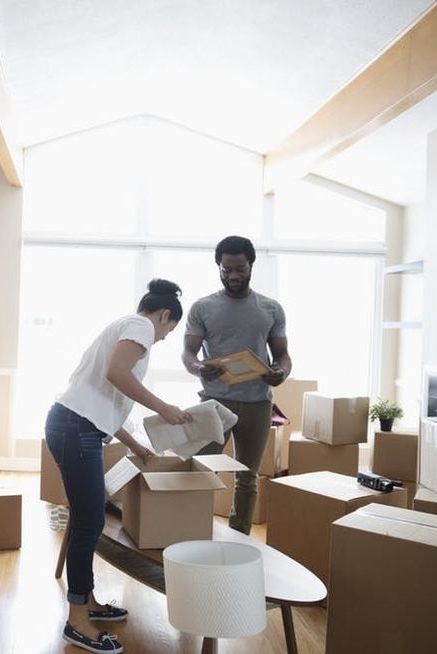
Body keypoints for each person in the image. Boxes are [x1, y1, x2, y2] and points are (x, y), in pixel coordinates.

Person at [45, 279, 192, 654]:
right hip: (76, 428)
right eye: (168, 330)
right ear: (163, 315)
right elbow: (117, 374)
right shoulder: (141, 326)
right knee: (90, 520)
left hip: (74, 424)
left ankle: (87, 600)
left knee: (85, 518)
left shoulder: (123, 326)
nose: (161, 338)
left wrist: (136, 445)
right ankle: (77, 621)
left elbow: (105, 400)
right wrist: (165, 409)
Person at [181, 235, 292, 535]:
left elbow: (282, 356)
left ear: (251, 265)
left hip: (258, 403)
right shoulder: (202, 307)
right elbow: (189, 354)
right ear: (218, 267)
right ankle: (195, 533)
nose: (233, 275)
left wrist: (280, 372)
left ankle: (239, 537)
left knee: (247, 476)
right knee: (203, 471)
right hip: (215, 402)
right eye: (226, 269)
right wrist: (199, 368)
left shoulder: (270, 308)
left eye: (240, 268)